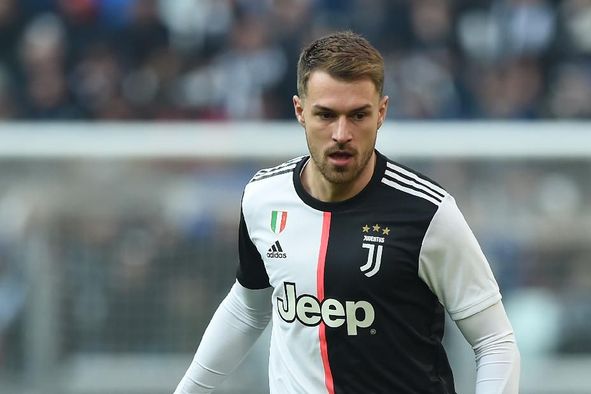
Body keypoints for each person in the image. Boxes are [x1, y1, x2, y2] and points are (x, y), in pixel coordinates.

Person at [174, 31, 520, 394]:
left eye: (358, 115)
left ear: (382, 112)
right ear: (300, 111)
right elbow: (248, 308)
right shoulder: (263, 198)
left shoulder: (427, 212)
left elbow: (495, 341)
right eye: (326, 115)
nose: (342, 133)